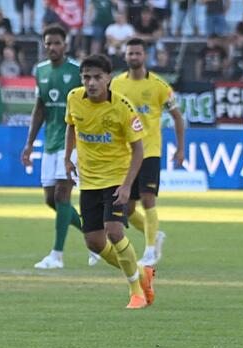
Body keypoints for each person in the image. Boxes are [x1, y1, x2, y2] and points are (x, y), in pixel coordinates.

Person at [64, 54, 155, 310]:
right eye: (86, 77)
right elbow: (71, 126)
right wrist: (67, 157)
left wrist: (127, 186)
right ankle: (142, 272)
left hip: (116, 179)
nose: (91, 82)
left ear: (108, 79)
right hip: (89, 181)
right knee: (94, 242)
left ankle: (136, 292)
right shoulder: (73, 98)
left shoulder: (123, 107)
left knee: (114, 232)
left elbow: (138, 150)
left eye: (97, 77)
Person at [110, 38, 186, 266]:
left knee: (147, 198)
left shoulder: (159, 85)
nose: (134, 57)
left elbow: (177, 117)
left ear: (145, 56)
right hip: (125, 153)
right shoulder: (116, 84)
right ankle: (154, 234)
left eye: (137, 53)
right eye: (130, 53)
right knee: (127, 207)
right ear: (125, 56)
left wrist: (180, 148)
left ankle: (150, 250)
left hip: (149, 150)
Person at [21, 25, 83, 269]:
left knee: (62, 195)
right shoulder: (41, 71)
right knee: (51, 199)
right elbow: (40, 109)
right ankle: (94, 233)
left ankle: (57, 255)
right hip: (50, 142)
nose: (52, 47)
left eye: (57, 43)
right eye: (48, 43)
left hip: (73, 142)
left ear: (65, 45)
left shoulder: (77, 71)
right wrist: (29, 144)